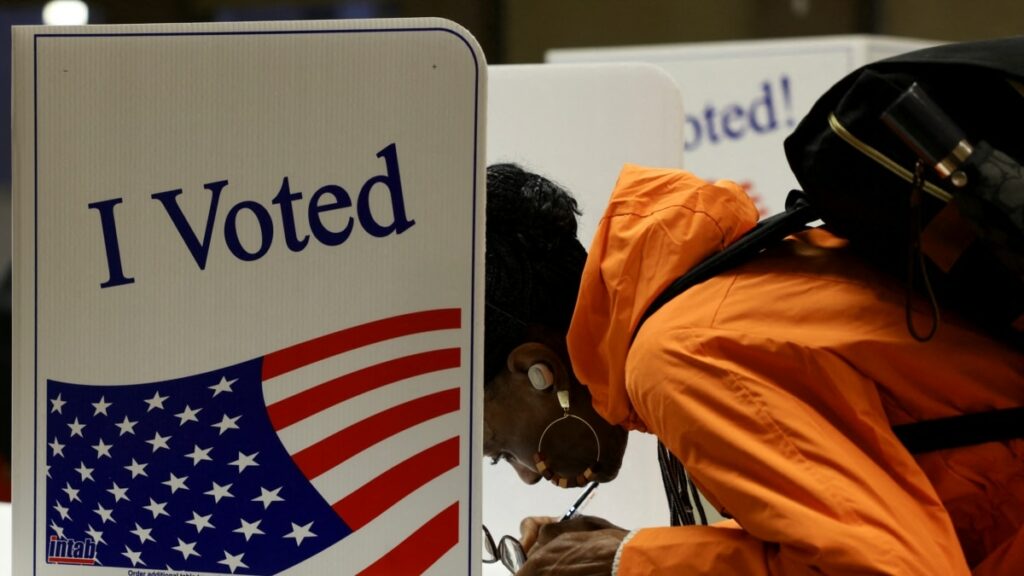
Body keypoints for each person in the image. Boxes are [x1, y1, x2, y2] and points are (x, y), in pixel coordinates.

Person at [482, 162, 1024, 575]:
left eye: (501, 450)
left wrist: (632, 560)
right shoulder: (706, 299)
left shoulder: (677, 353)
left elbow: (887, 566)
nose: (528, 474)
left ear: (538, 371)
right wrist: (629, 551)